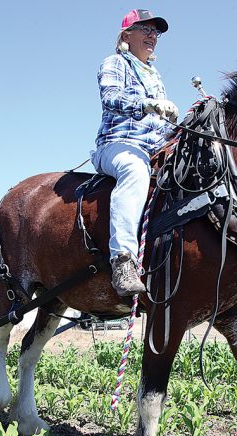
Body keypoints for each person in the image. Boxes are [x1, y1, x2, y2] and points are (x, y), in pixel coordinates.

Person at [92, 9, 179, 297]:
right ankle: (123, 261)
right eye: (145, 29)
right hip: (119, 146)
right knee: (135, 170)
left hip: (155, 149)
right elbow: (111, 96)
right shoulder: (115, 63)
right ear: (127, 35)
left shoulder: (154, 76)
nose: (152, 35)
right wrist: (149, 105)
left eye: (156, 32)